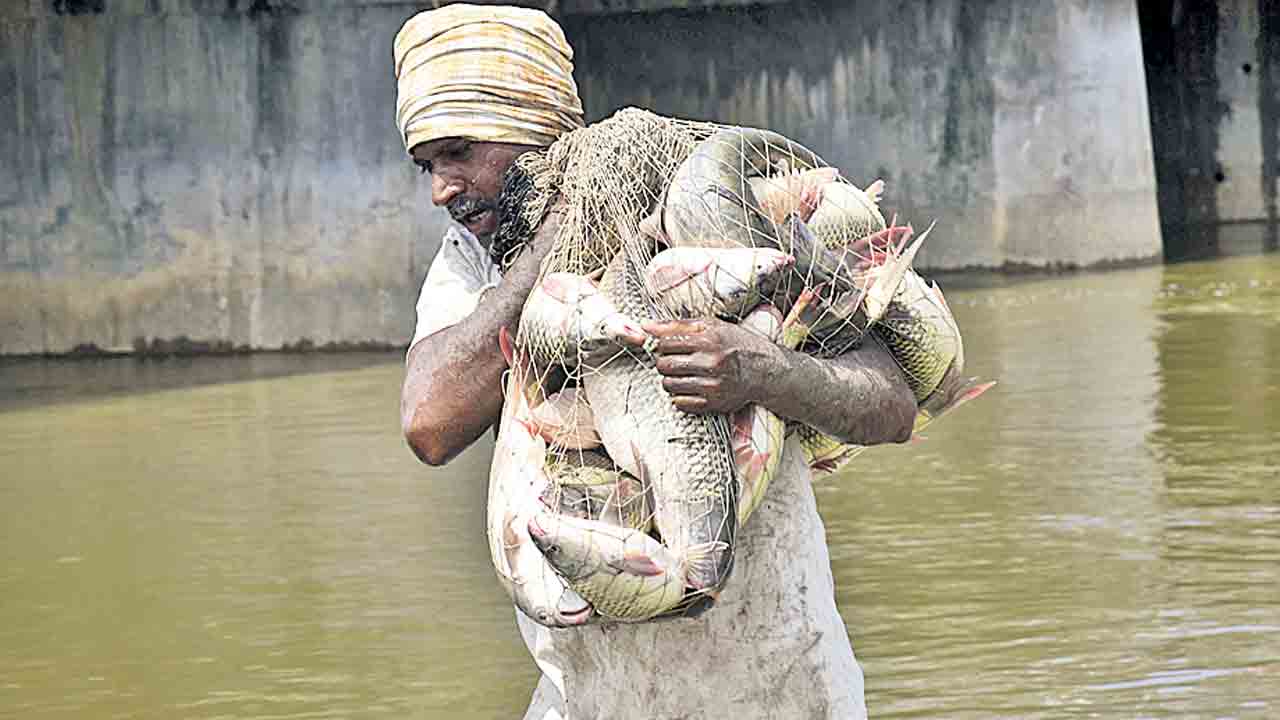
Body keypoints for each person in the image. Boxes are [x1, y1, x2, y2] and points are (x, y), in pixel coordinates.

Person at [394, 5, 922, 718]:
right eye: (426, 163)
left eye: (458, 152)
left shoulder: (717, 205)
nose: (441, 189)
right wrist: (554, 243)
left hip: (780, 692)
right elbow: (430, 421)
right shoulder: (471, 265)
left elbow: (892, 406)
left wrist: (764, 372)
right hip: (586, 699)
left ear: (536, 127)